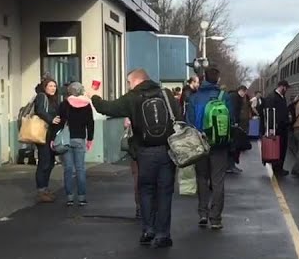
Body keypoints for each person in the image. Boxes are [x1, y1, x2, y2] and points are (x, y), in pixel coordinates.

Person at [92, 69, 180, 249]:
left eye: (128, 82)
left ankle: (148, 230)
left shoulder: (132, 97)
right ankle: (163, 234)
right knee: (165, 192)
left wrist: (94, 97)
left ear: (135, 81)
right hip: (167, 150)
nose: (128, 86)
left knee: (146, 190)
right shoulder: (166, 94)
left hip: (144, 152)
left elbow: (107, 108)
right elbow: (178, 118)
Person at [186, 67, 233, 229]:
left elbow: (189, 122)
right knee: (218, 181)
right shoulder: (224, 97)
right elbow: (231, 120)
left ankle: (203, 214)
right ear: (218, 79)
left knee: (202, 178)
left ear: (203, 78)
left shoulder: (195, 97)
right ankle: (216, 218)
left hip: (200, 144)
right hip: (219, 144)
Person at [52, 81, 94, 206]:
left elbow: (59, 122)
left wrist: (53, 138)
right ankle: (82, 198)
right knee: (80, 169)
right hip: (80, 139)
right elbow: (90, 123)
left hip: (66, 140)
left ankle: (69, 197)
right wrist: (90, 139)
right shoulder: (86, 105)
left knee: (68, 169)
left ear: (69, 91)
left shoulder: (64, 104)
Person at [33, 78, 60, 203]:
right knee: (44, 162)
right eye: (50, 86)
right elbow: (40, 111)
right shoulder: (41, 96)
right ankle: (41, 190)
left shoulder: (53, 99)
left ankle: (45, 188)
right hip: (43, 135)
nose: (53, 88)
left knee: (50, 162)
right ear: (45, 87)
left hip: (51, 135)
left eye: (54, 86)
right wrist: (51, 119)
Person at [260, 80, 291, 175]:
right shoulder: (272, 97)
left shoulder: (281, 97)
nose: (286, 90)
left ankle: (279, 167)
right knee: (278, 147)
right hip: (276, 127)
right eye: (285, 88)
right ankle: (277, 168)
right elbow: (269, 113)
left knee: (282, 147)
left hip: (283, 127)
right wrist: (270, 128)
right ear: (281, 86)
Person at [227, 84, 252, 174]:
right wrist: (235, 122)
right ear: (241, 90)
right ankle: (231, 166)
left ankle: (230, 165)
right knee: (234, 146)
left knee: (233, 145)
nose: (244, 94)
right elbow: (233, 110)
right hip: (233, 124)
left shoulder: (232, 96)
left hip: (231, 123)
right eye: (244, 92)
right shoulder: (235, 98)